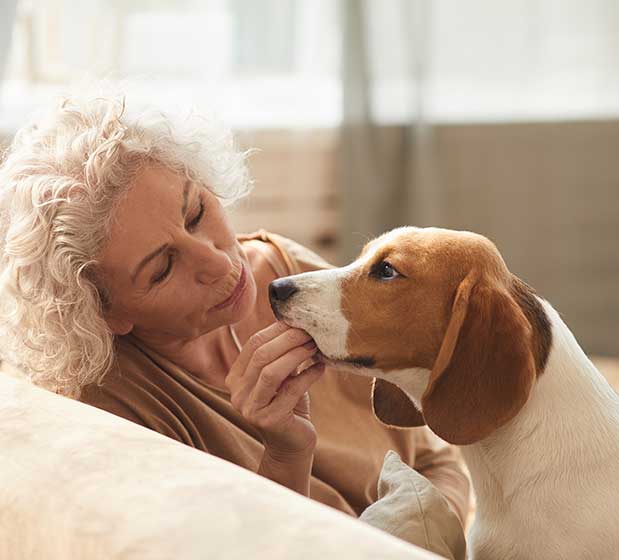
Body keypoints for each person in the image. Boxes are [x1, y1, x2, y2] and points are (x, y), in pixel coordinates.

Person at [0, 93, 470, 522]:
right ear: (106, 313)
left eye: (196, 213)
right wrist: (284, 456)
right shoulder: (114, 413)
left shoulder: (283, 270)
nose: (216, 260)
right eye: (162, 269)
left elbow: (432, 455)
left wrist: (426, 539)